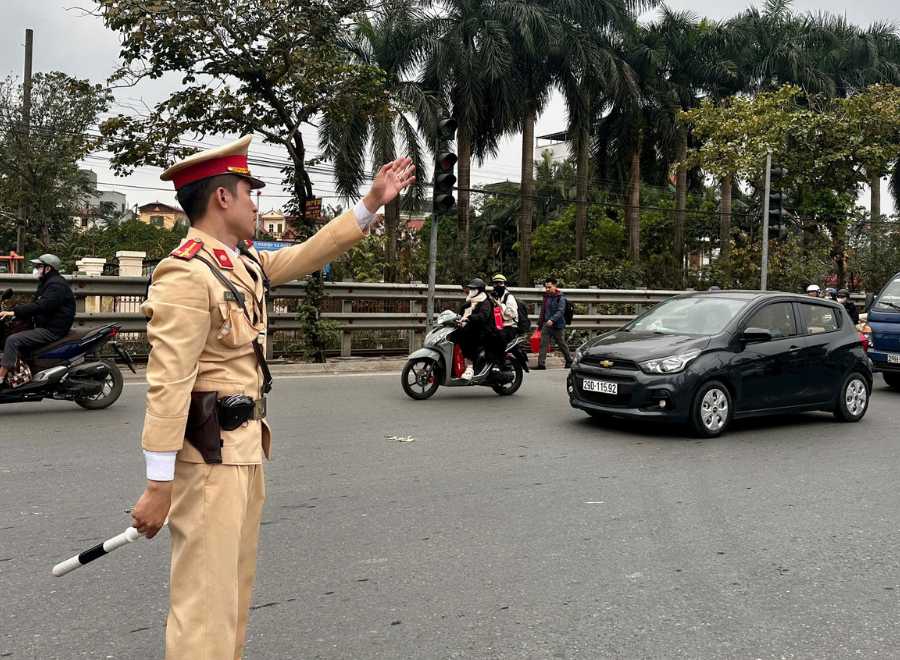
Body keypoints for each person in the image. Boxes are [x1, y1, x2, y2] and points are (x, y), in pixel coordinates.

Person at [128, 135, 414, 659]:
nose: (256, 204)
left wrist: (371, 204)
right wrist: (158, 484)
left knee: (233, 595)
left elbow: (309, 254)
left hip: (244, 453)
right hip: (210, 457)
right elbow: (168, 383)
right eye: (248, 192)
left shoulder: (243, 264)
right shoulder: (185, 273)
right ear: (222, 199)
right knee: (203, 604)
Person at [0, 254, 75, 387]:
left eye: (39, 266)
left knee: (13, 340)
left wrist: (14, 311)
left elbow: (42, 306)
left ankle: (1, 376)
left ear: (48, 268)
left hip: (51, 329)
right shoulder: (47, 283)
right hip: (44, 324)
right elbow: (35, 305)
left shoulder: (56, 285)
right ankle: (21, 370)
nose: (36, 269)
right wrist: (15, 312)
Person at [450, 278, 498, 380]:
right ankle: (454, 364)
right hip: (475, 328)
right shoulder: (470, 301)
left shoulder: (485, 302)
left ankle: (470, 367)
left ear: (480, 290)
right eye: (470, 288)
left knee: (467, 337)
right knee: (453, 335)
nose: (471, 290)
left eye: (473, 289)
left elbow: (483, 316)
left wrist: (469, 318)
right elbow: (461, 314)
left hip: (485, 331)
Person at [536, 276, 572, 369]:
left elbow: (561, 311)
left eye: (549, 287)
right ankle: (541, 364)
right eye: (546, 287)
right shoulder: (546, 297)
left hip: (558, 325)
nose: (547, 289)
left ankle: (569, 360)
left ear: (555, 286)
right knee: (543, 344)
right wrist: (540, 324)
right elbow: (543, 311)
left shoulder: (561, 298)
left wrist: (552, 320)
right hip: (546, 324)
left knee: (561, 344)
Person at [490, 273, 519, 344]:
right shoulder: (495, 297)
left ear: (505, 285)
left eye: (500, 283)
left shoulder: (509, 297)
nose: (498, 285)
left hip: (509, 326)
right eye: (495, 283)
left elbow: (512, 314)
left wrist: (500, 305)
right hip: (497, 325)